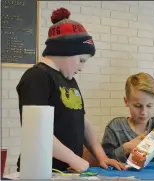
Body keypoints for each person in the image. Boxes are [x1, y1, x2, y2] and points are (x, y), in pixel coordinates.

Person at [16, 7, 126, 173]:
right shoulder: (37, 77)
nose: (81, 68)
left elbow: (81, 120)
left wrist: (101, 156)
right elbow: (36, 130)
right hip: (42, 169)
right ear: (65, 51)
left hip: (68, 170)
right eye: (81, 60)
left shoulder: (69, 79)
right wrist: (75, 160)